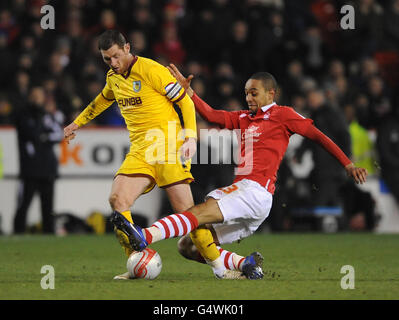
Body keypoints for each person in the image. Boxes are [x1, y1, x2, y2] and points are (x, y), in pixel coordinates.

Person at [113, 64, 368, 280]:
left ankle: (144, 236)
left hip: (254, 191)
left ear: (271, 93)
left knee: (196, 213)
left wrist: (347, 163)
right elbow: (212, 115)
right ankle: (241, 265)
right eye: (246, 93)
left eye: (254, 93)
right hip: (250, 199)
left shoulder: (284, 115)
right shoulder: (245, 118)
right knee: (189, 246)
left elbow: (318, 136)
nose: (248, 98)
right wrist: (188, 92)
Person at [64, 30, 248, 280]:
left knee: (189, 214)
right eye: (107, 59)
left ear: (127, 48)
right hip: (140, 151)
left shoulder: (152, 71)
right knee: (118, 201)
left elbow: (184, 101)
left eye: (116, 56)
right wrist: (78, 123)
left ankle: (220, 268)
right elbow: (102, 100)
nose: (113, 63)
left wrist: (191, 137)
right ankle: (136, 260)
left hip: (168, 148)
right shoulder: (113, 77)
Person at [13, 86, 64, 234]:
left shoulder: (47, 116)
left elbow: (58, 135)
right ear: (30, 97)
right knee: (24, 204)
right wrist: (43, 134)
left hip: (48, 168)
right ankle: (18, 232)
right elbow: (32, 133)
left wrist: (44, 136)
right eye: (34, 95)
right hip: (30, 169)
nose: (37, 99)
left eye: (39, 96)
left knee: (48, 206)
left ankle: (48, 234)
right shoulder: (23, 115)